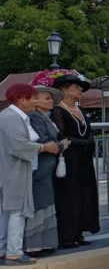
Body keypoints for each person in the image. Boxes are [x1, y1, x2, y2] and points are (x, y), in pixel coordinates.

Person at [1, 84, 62, 265]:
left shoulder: (14, 116)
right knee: (17, 211)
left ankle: (5, 249)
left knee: (8, 211)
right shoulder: (11, 117)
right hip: (14, 170)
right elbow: (19, 145)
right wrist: (44, 147)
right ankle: (13, 252)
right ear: (21, 100)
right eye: (33, 98)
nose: (35, 102)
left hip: (14, 169)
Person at [50, 74, 99, 248]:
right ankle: (67, 235)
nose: (80, 90)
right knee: (68, 195)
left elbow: (89, 131)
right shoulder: (57, 110)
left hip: (83, 159)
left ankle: (79, 231)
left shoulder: (81, 111)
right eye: (76, 87)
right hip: (68, 160)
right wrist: (83, 142)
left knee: (84, 193)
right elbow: (61, 136)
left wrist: (89, 142)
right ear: (65, 89)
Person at [24, 86, 65, 256]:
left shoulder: (43, 116)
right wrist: (61, 145)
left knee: (46, 203)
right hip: (40, 166)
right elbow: (41, 140)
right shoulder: (34, 117)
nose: (51, 101)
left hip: (46, 165)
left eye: (51, 98)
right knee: (40, 203)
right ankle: (34, 245)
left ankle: (45, 243)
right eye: (46, 98)